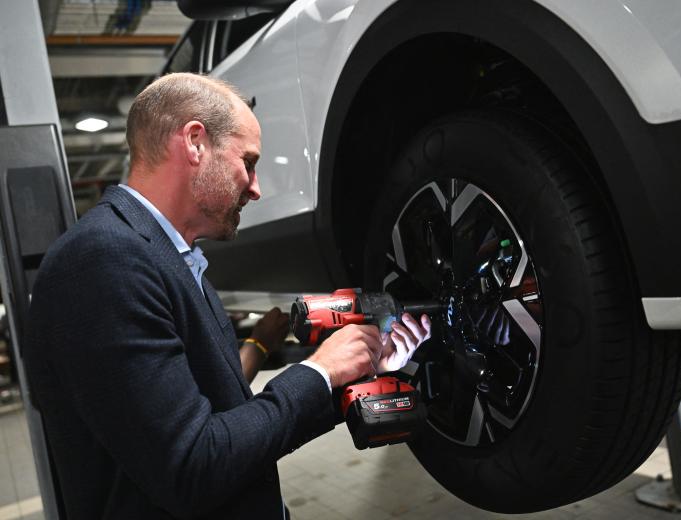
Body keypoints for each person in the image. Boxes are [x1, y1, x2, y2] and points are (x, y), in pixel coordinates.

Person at [24, 72, 431, 519]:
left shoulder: (169, 259)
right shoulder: (101, 261)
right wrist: (318, 371)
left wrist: (352, 374)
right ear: (195, 142)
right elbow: (192, 467)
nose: (255, 188)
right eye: (248, 162)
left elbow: (231, 424)